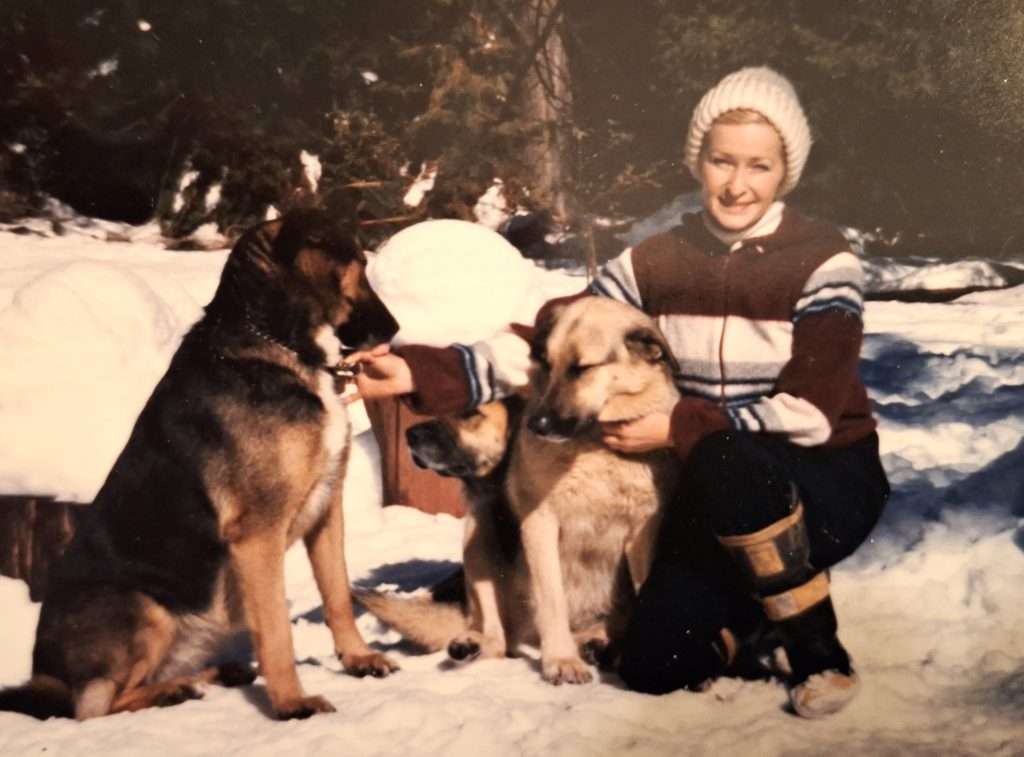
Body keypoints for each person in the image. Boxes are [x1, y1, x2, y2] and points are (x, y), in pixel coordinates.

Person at [349, 66, 889, 718]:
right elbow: (559, 340)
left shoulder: (822, 260)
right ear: (700, 162)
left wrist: (674, 428)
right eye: (721, 161)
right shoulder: (653, 260)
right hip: (709, 481)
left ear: (785, 171)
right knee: (653, 663)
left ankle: (817, 650)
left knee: (724, 457)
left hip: (824, 473)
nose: (737, 183)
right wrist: (426, 372)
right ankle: (744, 617)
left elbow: (808, 413)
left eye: (760, 165)